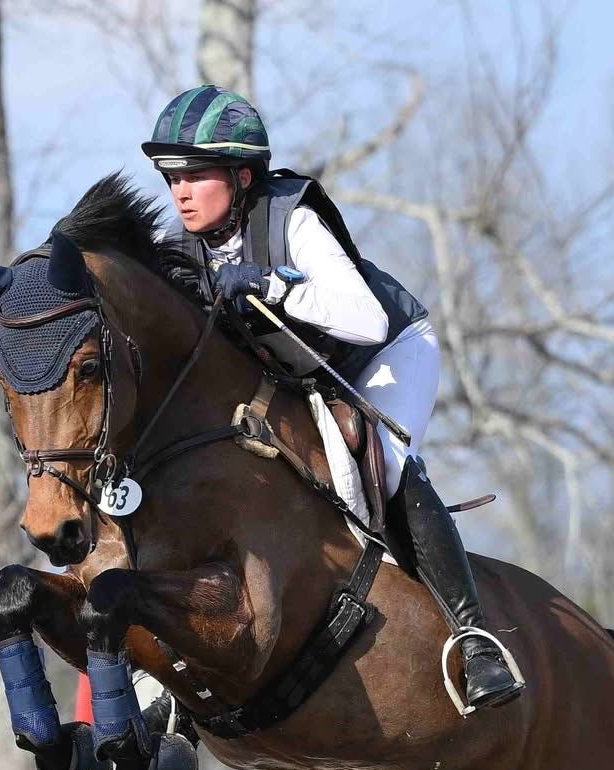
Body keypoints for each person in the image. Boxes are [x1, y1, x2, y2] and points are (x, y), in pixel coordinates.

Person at [142, 85, 524, 712]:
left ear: (242, 175)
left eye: (196, 176)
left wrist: (270, 285)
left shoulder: (291, 215)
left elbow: (365, 321)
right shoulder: (184, 255)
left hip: (386, 352)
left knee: (388, 465)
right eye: (172, 177)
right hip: (304, 371)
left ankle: (474, 638)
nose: (179, 192)